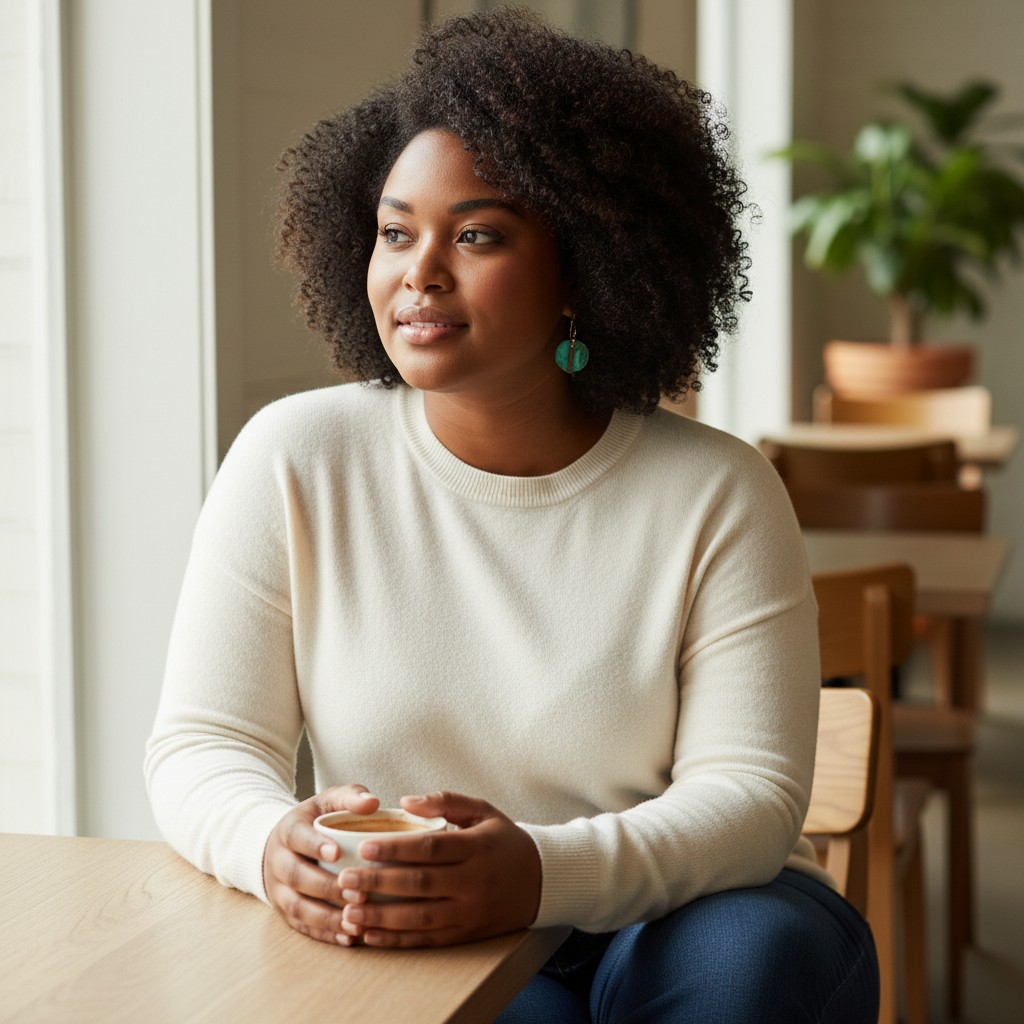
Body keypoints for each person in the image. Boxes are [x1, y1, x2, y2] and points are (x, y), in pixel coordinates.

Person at [145, 7, 879, 1021]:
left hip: (686, 911)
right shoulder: (293, 456)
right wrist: (270, 845)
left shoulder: (717, 489)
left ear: (585, 267)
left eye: (477, 234)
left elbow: (749, 799)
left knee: (751, 965)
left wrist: (537, 871)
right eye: (396, 232)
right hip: (421, 909)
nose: (419, 271)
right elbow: (202, 747)